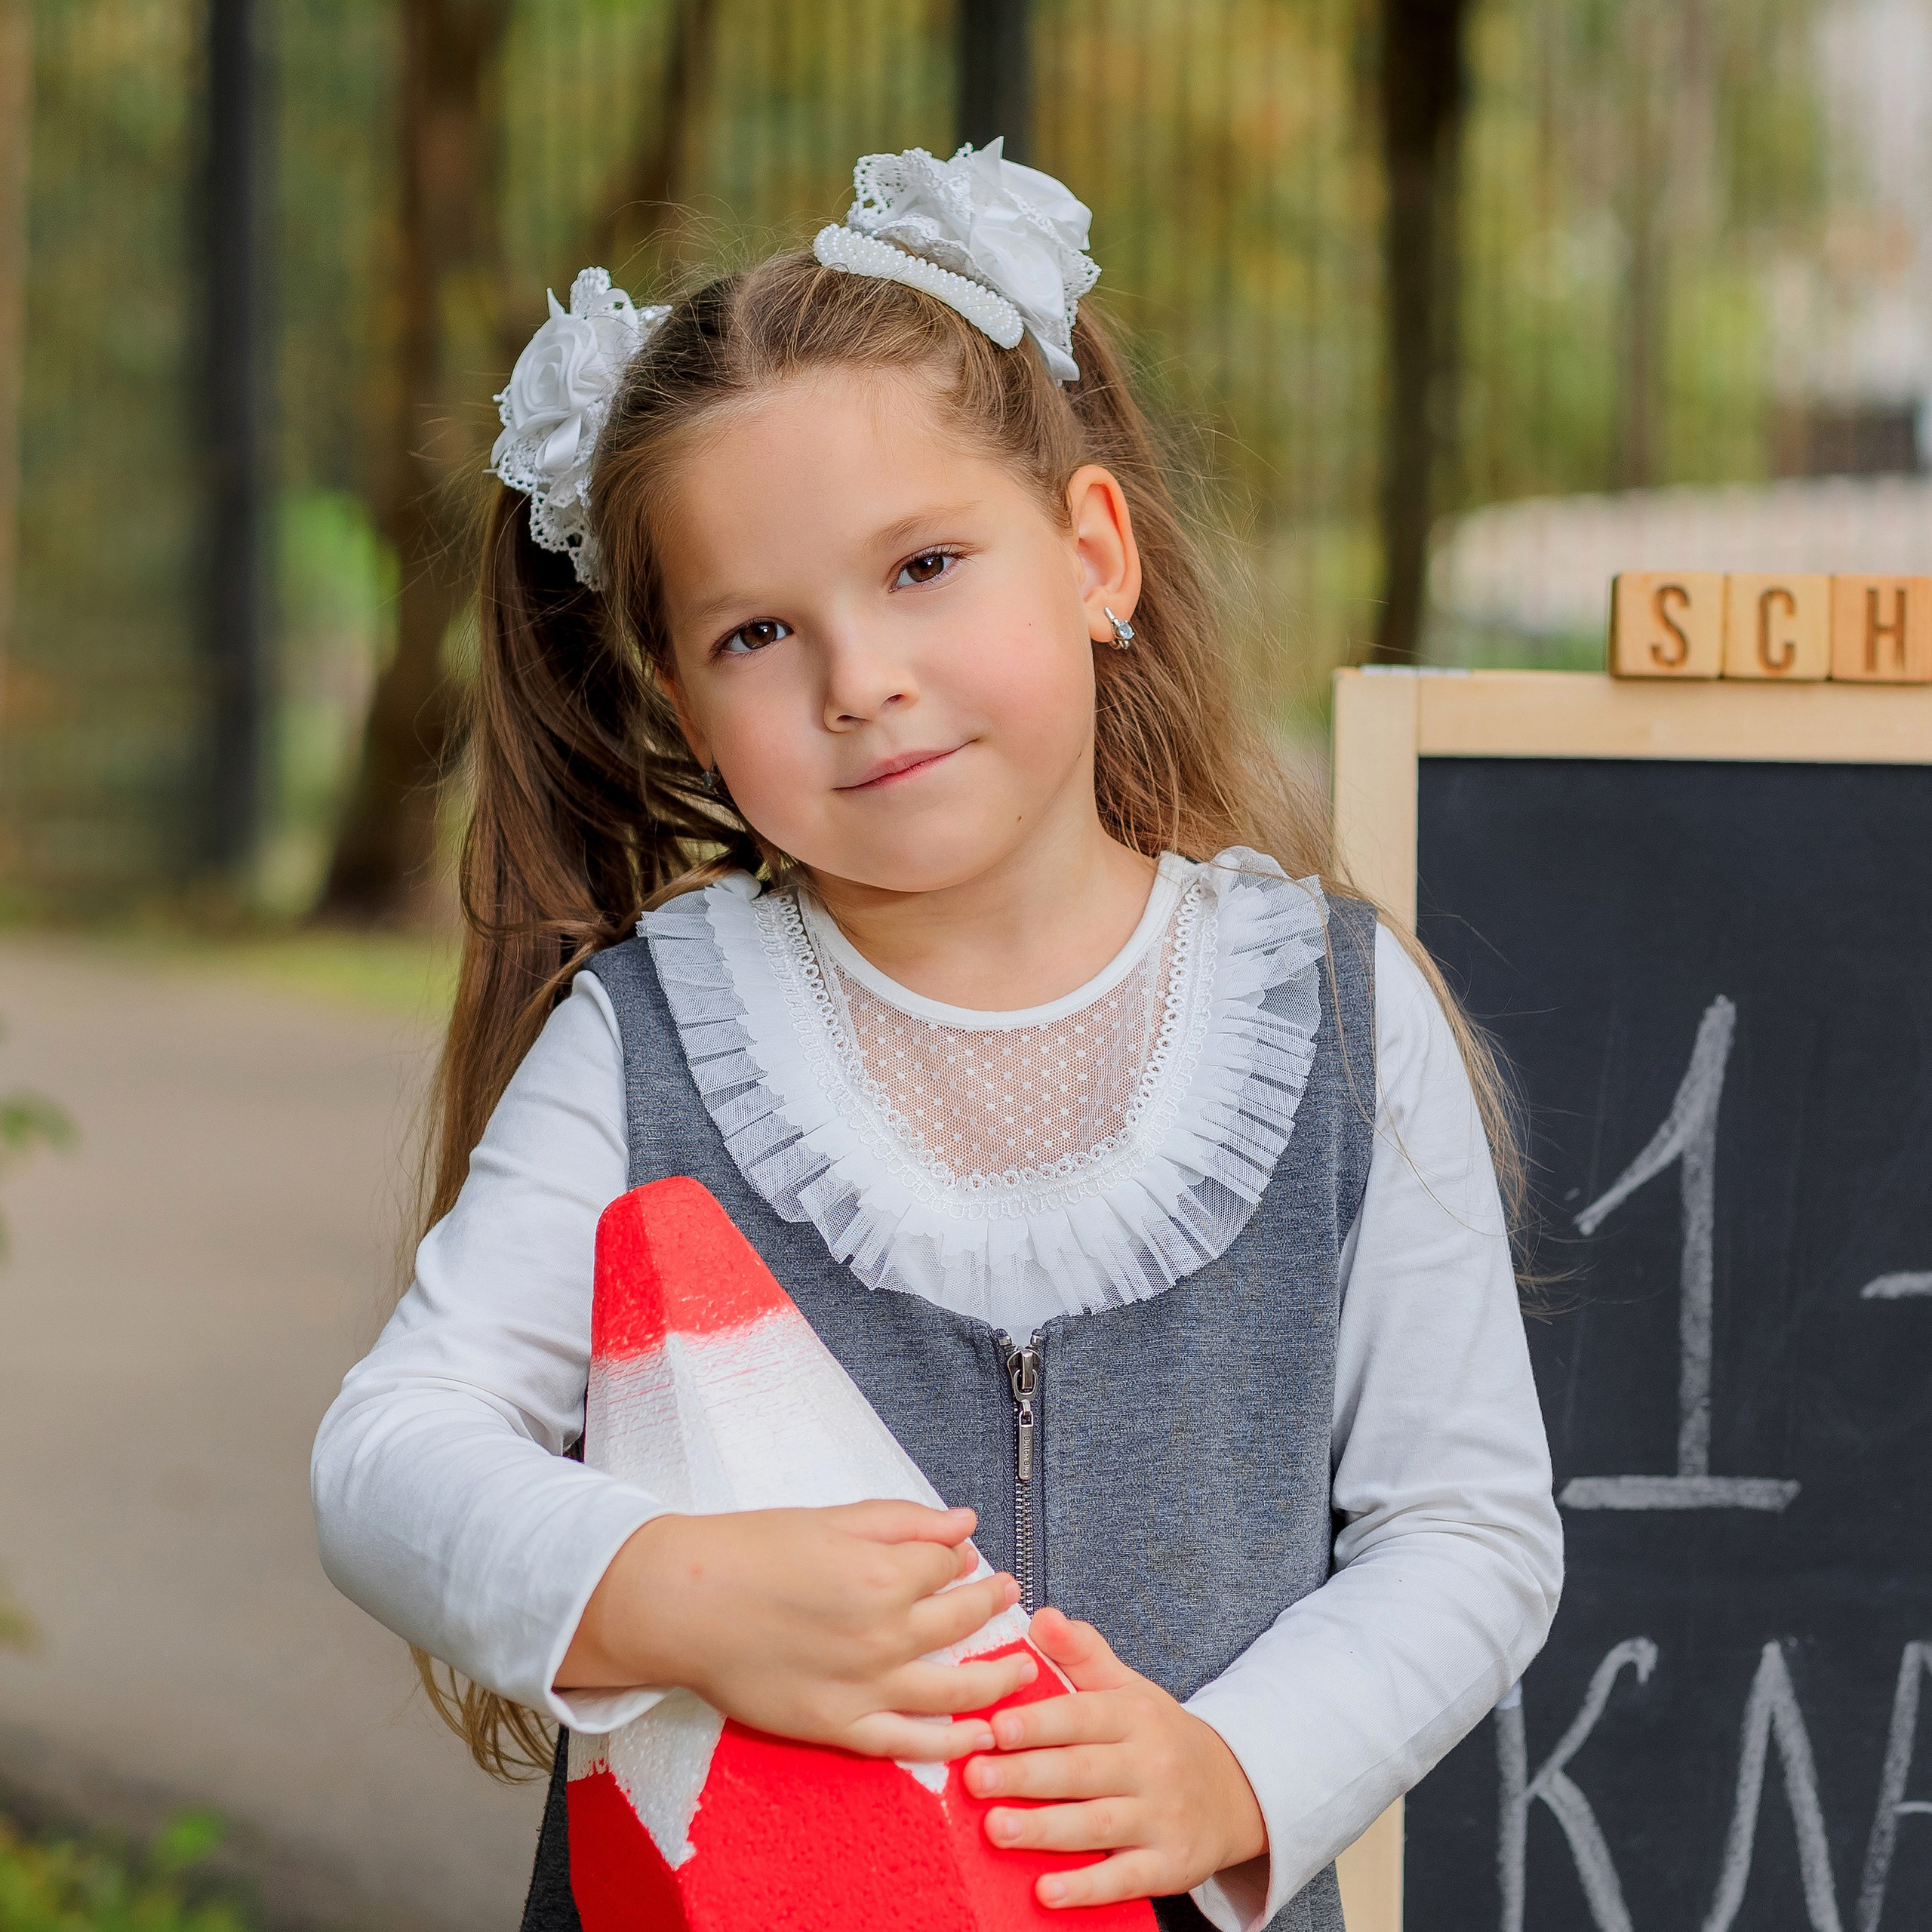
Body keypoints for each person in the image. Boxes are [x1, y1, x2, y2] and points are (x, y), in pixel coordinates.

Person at [312, 140, 1561, 1932]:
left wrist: (1234, 1770)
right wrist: (665, 1587)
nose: (857, 677)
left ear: (1091, 554)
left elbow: (1469, 1532)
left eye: (922, 566)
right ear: (677, 696)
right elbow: (386, 1458)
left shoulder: (1338, 1019)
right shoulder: (648, 1038)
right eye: (757, 630)